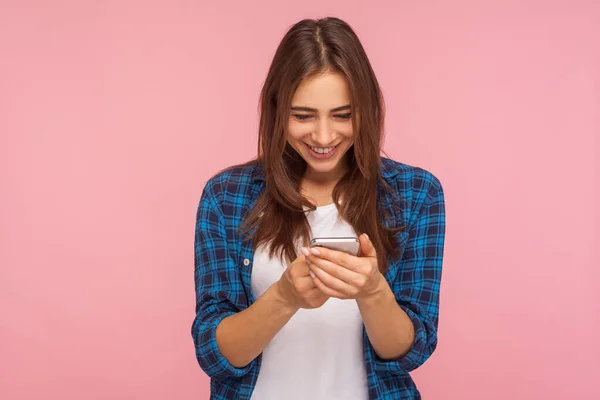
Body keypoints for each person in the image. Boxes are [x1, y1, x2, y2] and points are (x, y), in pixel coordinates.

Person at [191, 17, 446, 400]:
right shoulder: (227, 196)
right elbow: (215, 353)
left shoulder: (415, 194)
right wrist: (285, 297)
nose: (324, 137)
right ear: (277, 112)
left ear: (368, 109)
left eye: (343, 115)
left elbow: (409, 353)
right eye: (303, 116)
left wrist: (373, 291)